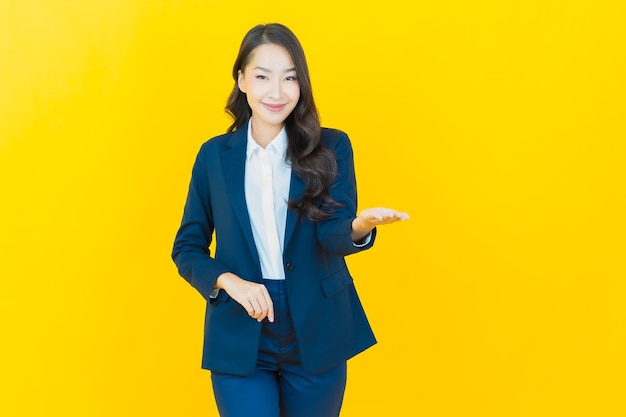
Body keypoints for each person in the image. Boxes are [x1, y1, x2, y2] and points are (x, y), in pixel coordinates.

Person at [172, 23, 408, 417]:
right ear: (242, 79)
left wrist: (358, 227)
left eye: (290, 78)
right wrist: (230, 282)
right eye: (263, 77)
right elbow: (187, 247)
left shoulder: (332, 146)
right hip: (240, 325)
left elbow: (333, 234)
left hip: (316, 326)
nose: (277, 92)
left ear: (302, 84)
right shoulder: (214, 156)